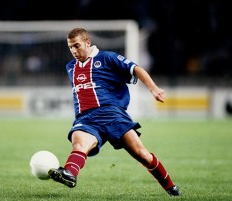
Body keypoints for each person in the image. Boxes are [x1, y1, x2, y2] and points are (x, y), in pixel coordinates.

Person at [48, 28, 182, 196]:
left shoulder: (107, 58)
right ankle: (69, 174)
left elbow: (136, 69)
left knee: (142, 155)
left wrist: (153, 88)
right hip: (86, 118)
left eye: (77, 45)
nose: (74, 51)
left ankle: (171, 187)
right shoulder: (70, 67)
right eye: (70, 47)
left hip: (112, 115)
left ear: (87, 42)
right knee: (79, 144)